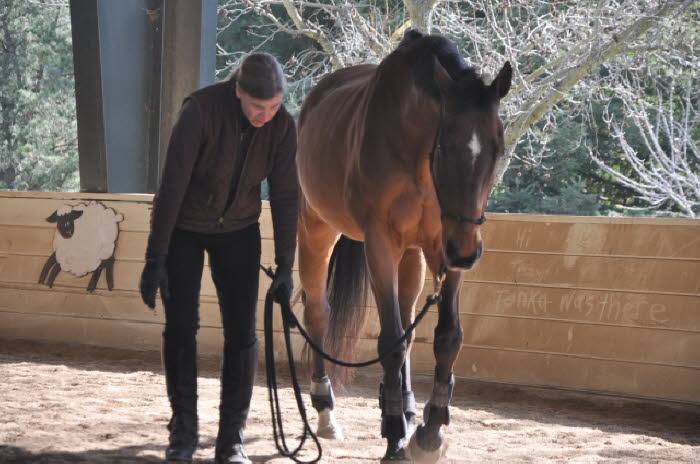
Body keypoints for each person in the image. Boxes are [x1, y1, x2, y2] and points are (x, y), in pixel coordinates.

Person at [139, 53, 297, 464]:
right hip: (184, 230)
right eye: (258, 106)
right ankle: (184, 432)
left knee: (242, 335)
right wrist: (155, 257)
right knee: (181, 326)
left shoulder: (282, 126)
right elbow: (171, 186)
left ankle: (231, 440)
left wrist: (285, 265)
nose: (266, 115)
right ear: (238, 91)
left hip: (240, 232)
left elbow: (283, 195)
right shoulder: (201, 111)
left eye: (275, 106)